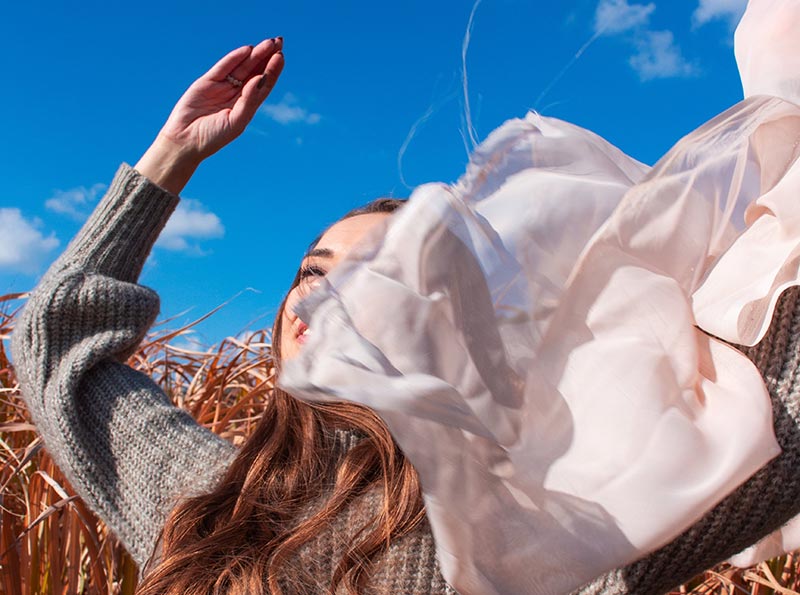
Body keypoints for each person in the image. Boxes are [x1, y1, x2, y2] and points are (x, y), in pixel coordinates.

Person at [12, 3, 800, 593]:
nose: (324, 297)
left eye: (376, 281)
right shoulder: (205, 492)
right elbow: (53, 341)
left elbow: (781, 409)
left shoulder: (538, 521)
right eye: (313, 271)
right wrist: (174, 153)